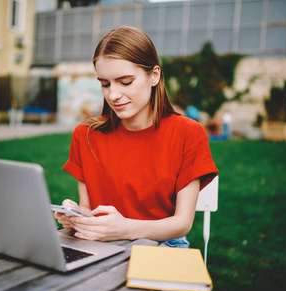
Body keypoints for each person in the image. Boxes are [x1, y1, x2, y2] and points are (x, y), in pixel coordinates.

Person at [55, 26, 218, 248]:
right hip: (102, 245)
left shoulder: (187, 133)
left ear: (154, 76)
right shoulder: (86, 135)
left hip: (161, 244)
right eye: (104, 84)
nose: (113, 95)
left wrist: (126, 229)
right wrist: (77, 216)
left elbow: (182, 223)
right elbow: (88, 207)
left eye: (125, 82)